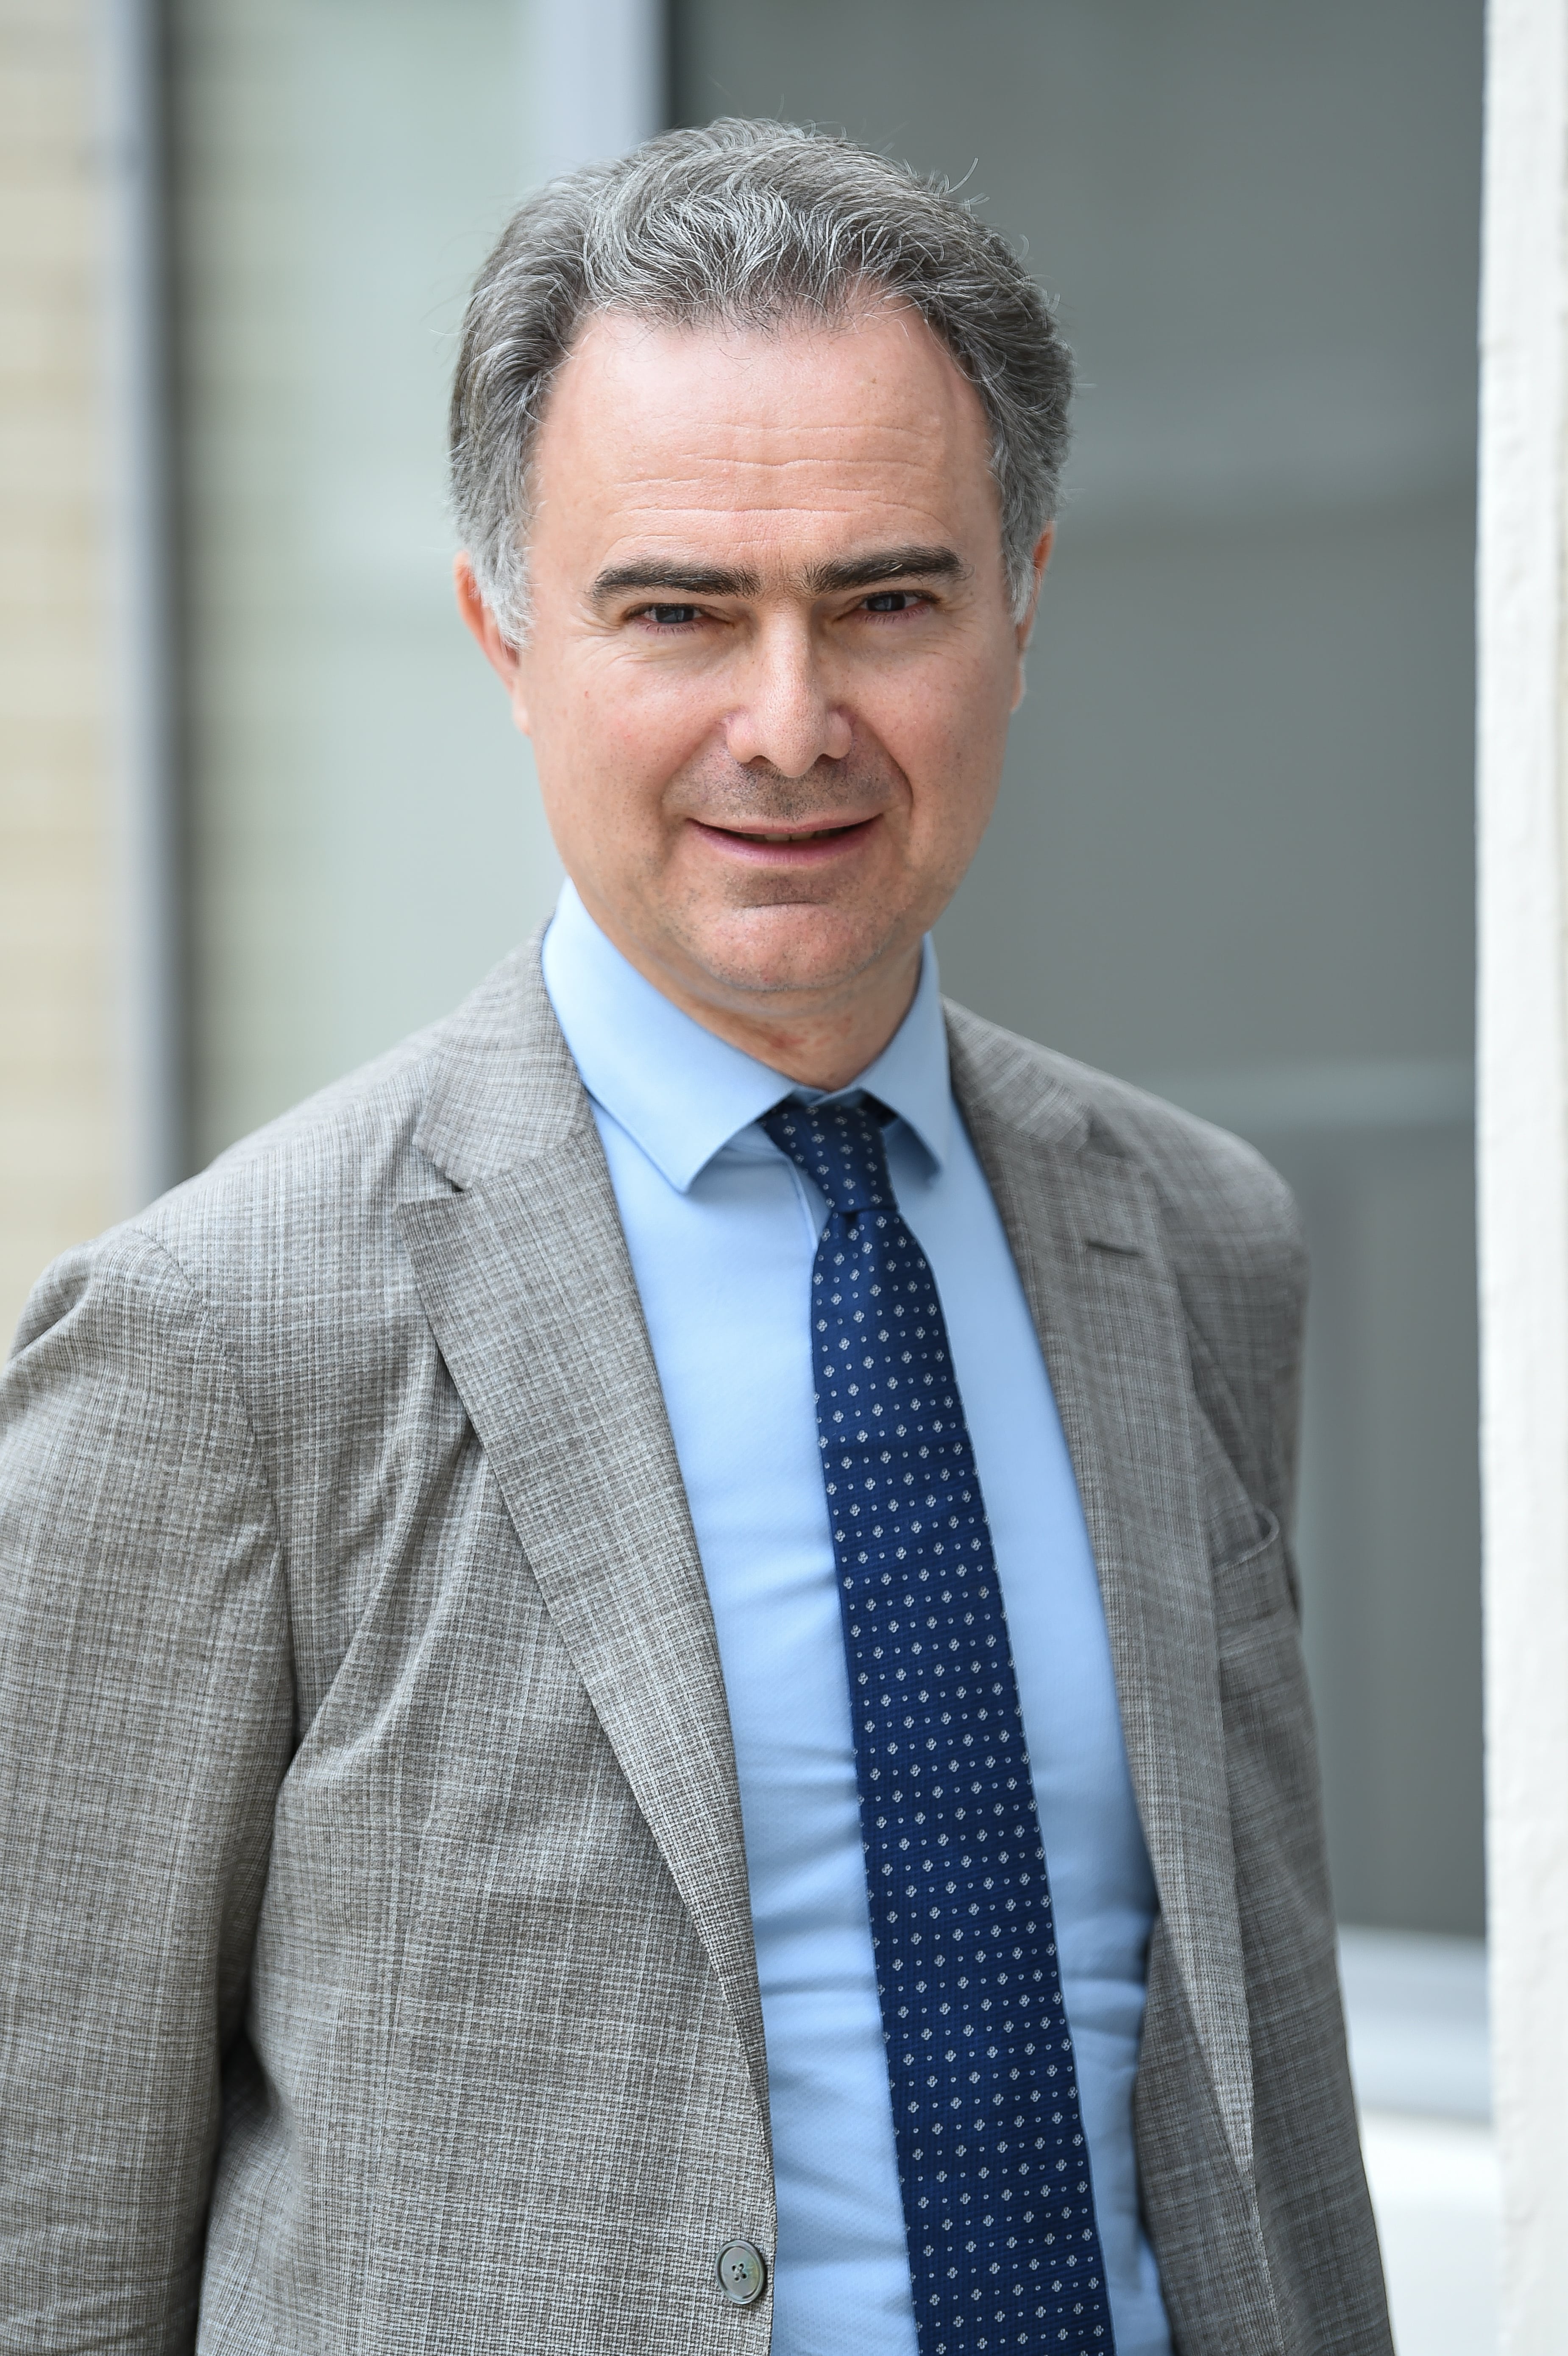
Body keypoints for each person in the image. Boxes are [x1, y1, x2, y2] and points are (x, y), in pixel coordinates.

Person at [0, 120, 1390, 2356]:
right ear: (506, 635)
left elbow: (1267, 2119)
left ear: (1021, 604)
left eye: (887, 600)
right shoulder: (213, 1343)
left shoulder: (1199, 1245)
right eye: (677, 612)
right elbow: (45, 2243)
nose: (789, 722)